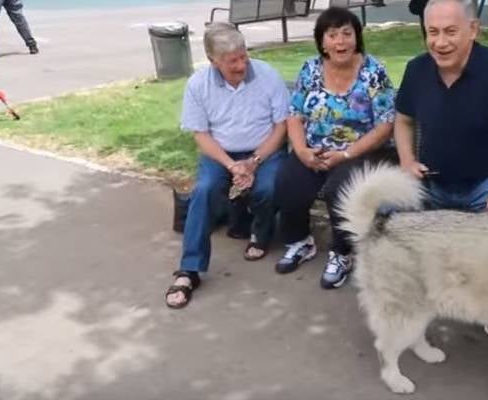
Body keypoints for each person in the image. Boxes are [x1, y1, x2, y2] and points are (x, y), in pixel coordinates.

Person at [394, 0, 488, 340]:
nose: (440, 42)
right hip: (431, 184)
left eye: (450, 31)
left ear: (473, 30)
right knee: (384, 214)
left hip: (487, 186)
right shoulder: (417, 69)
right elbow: (403, 121)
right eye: (432, 32)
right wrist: (406, 161)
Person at [165, 23, 290, 309]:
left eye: (243, 56)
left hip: (264, 150)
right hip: (220, 154)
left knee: (268, 187)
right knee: (204, 190)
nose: (241, 64)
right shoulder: (198, 84)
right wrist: (233, 166)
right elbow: (201, 135)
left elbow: (281, 126)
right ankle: (189, 270)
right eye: (232, 61)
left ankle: (260, 232)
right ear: (213, 61)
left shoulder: (267, 75)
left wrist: (254, 161)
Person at [273, 7, 397, 289]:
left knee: (339, 189)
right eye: (332, 35)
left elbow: (385, 126)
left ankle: (342, 253)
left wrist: (345, 154)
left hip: (362, 151)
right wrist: (302, 150)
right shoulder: (310, 69)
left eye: (346, 34)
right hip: (315, 149)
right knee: (287, 181)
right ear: (322, 41)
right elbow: (294, 114)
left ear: (357, 37)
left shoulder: (373, 72)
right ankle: (300, 242)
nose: (340, 42)